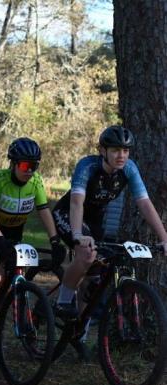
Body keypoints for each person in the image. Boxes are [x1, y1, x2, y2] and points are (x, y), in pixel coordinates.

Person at [52, 126, 167, 318]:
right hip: (69, 213)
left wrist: (164, 237)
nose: (121, 155)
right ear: (103, 151)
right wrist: (78, 235)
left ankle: (81, 329)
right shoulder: (87, 166)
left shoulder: (129, 168)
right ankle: (62, 301)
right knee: (87, 255)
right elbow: (76, 202)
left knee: (94, 278)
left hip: (95, 220)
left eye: (125, 150)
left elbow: (145, 204)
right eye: (115, 150)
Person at [0, 137, 65, 317]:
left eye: (35, 166)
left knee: (13, 282)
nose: (30, 171)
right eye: (25, 166)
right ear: (14, 164)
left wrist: (55, 240)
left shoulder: (36, 181)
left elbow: (44, 211)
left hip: (15, 235)